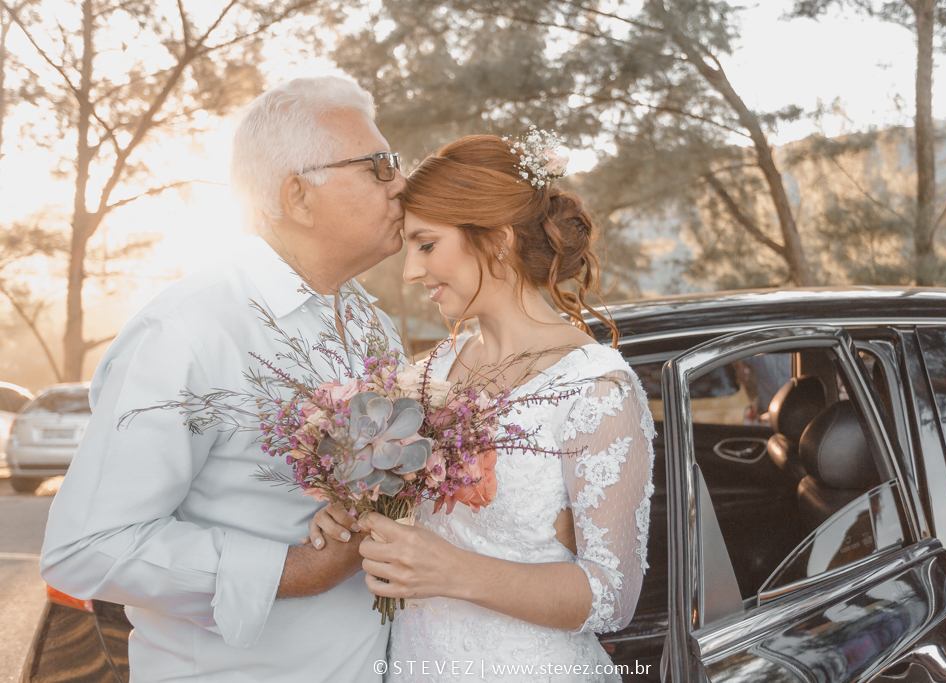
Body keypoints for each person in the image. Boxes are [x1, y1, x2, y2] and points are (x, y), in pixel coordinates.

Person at [40, 75, 406, 682]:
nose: (402, 184)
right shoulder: (185, 330)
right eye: (379, 166)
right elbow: (85, 547)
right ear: (297, 195)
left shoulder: (372, 324)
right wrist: (292, 571)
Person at [309, 134, 656, 682]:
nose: (410, 272)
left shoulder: (597, 391)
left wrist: (450, 571)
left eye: (426, 244)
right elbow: (400, 516)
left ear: (495, 239)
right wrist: (353, 512)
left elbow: (612, 599)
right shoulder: (424, 376)